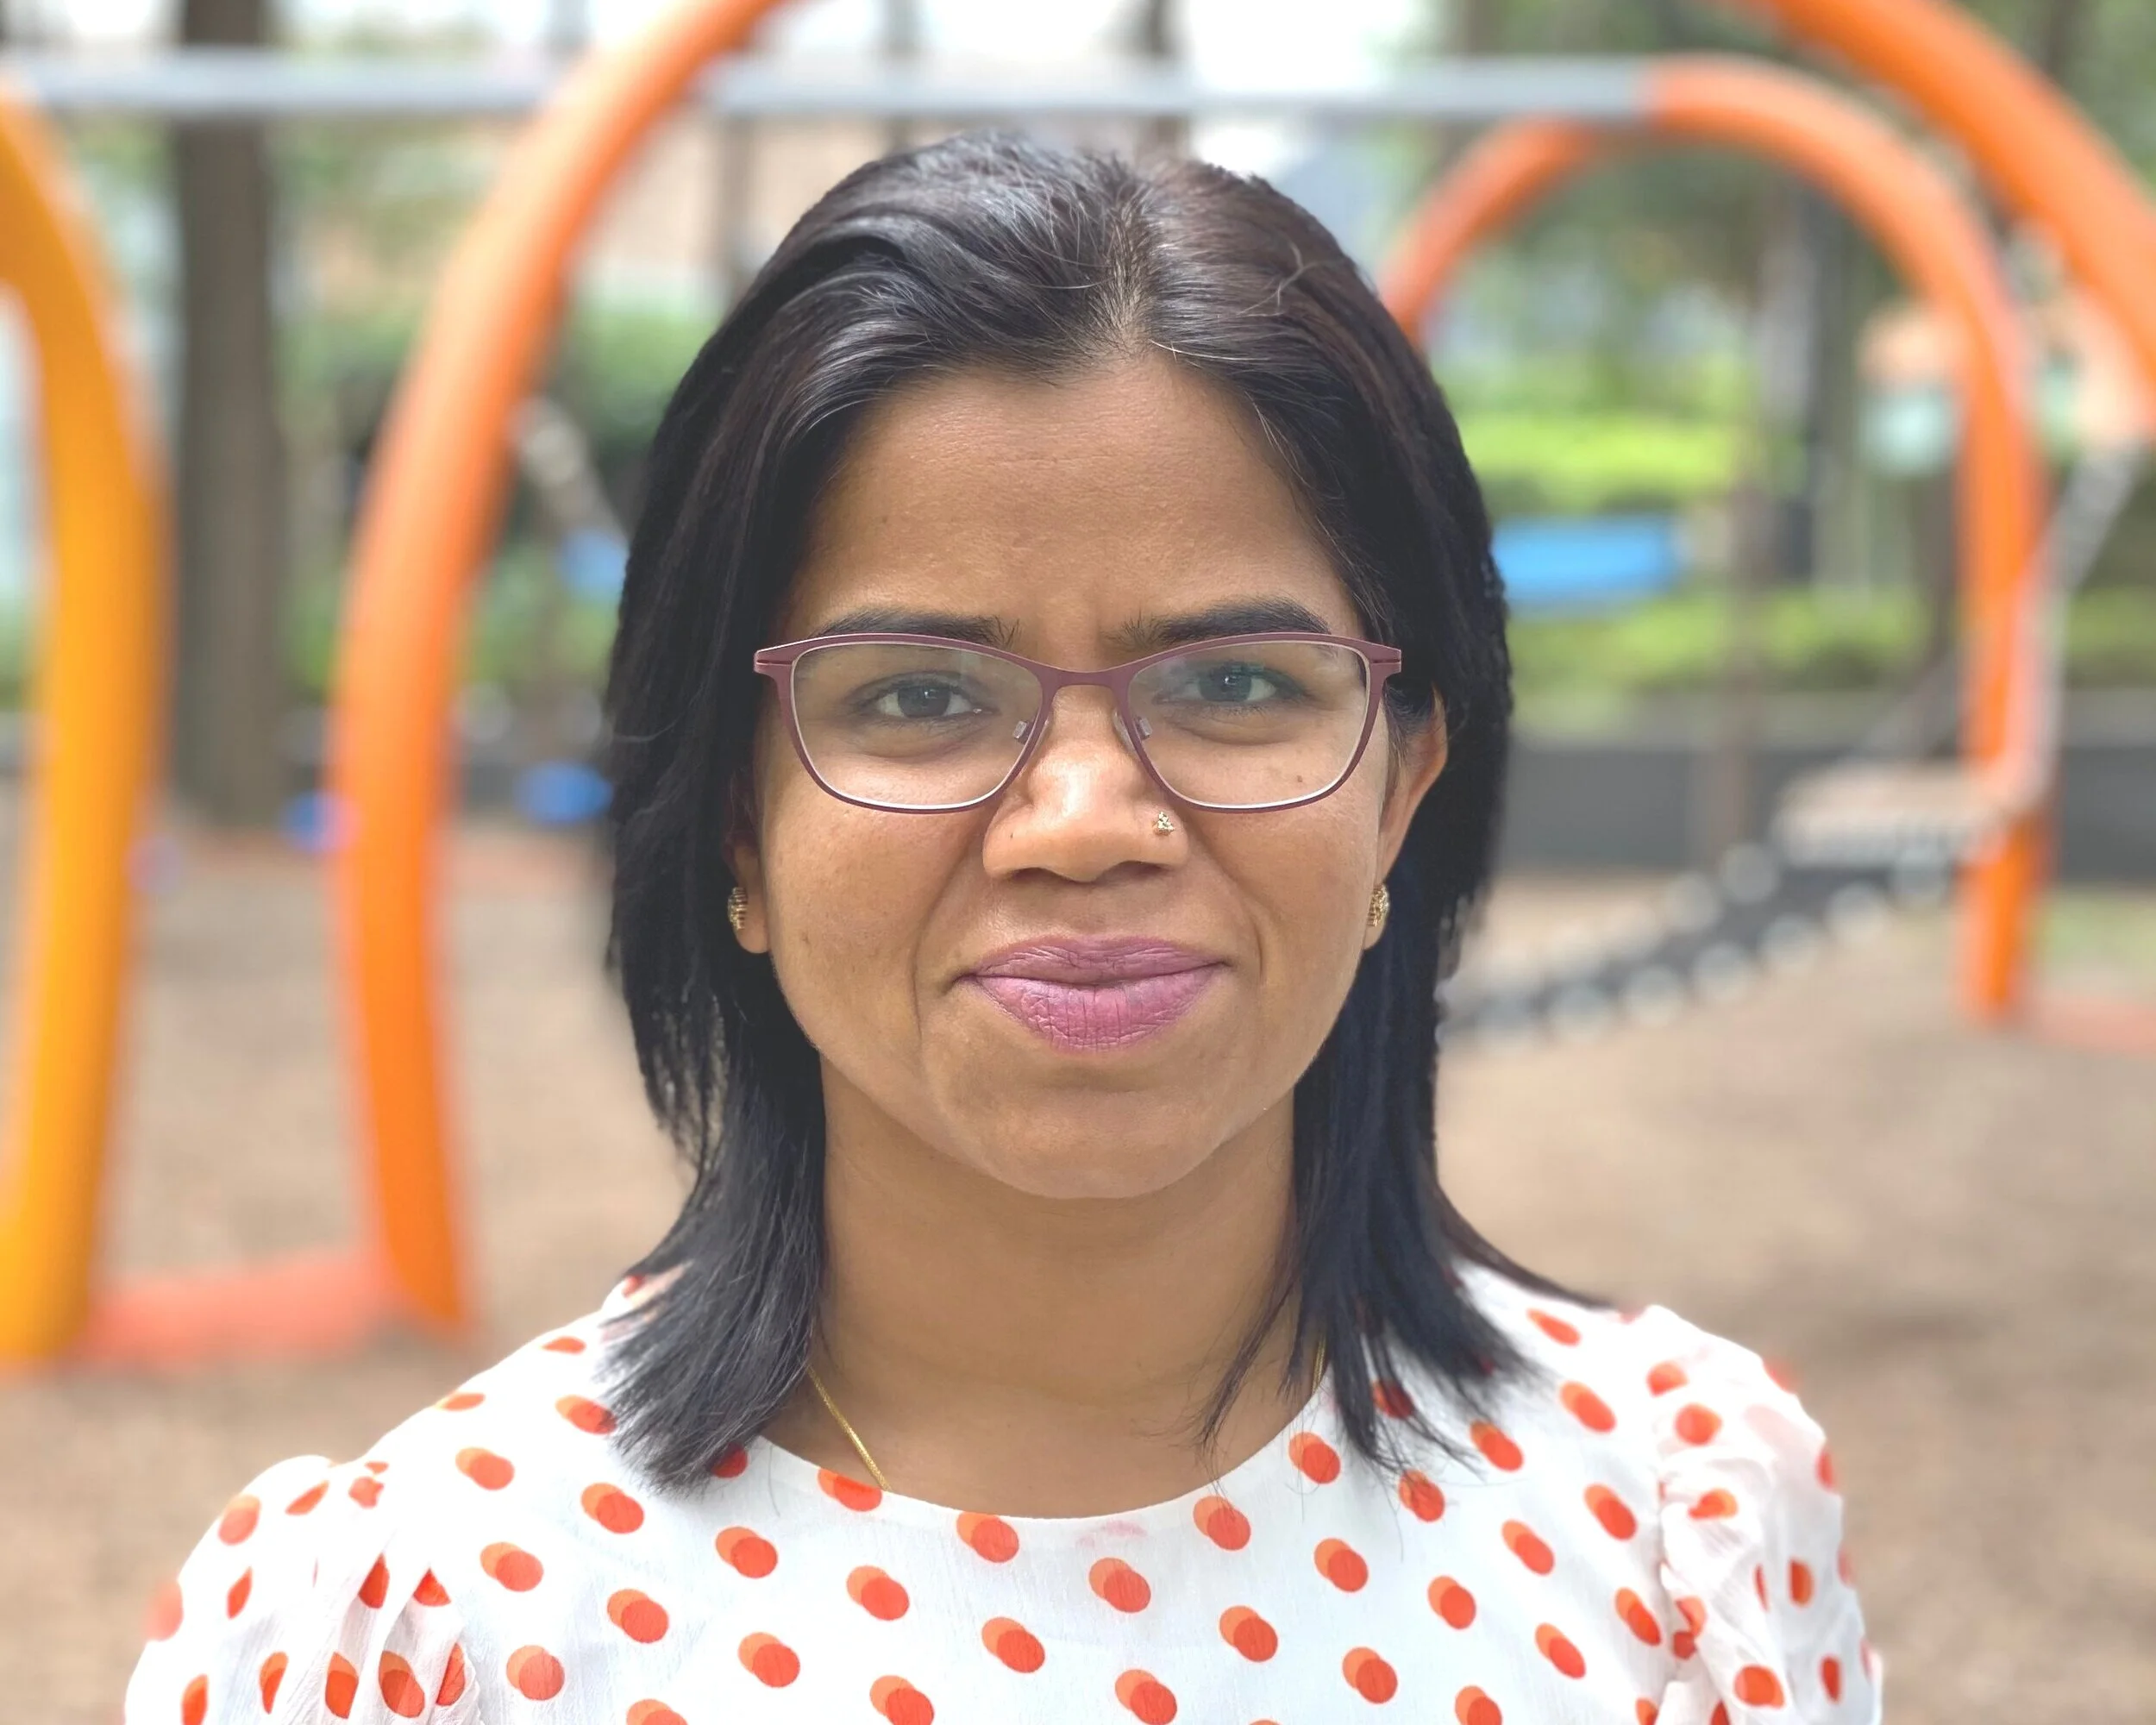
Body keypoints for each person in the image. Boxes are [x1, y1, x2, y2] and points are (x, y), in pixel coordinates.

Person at [128, 134, 1878, 1725]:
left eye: (1236, 683)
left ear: (1401, 787)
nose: (1085, 822)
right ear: (735, 822)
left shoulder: (1681, 1534)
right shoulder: (419, 1634)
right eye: (915, 696)